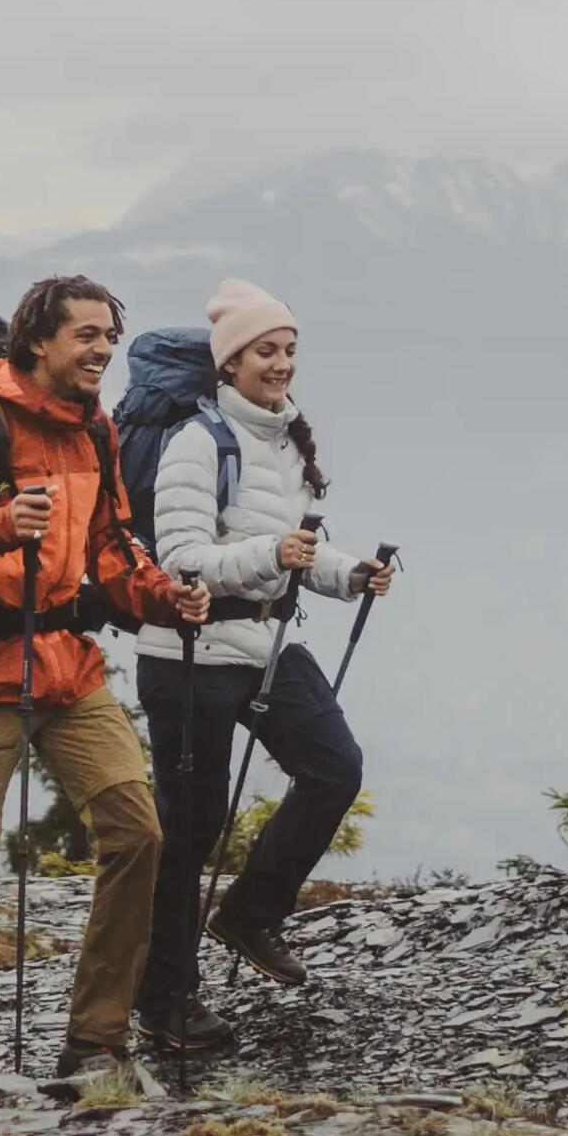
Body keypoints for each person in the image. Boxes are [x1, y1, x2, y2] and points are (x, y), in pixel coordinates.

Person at [0, 274, 210, 1098]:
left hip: (67, 665)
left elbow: (109, 546)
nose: (104, 350)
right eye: (87, 336)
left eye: (109, 335)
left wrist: (160, 598)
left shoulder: (93, 432)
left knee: (137, 833)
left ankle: (95, 1042)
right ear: (38, 343)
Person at [133, 278, 395, 1052]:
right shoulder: (197, 441)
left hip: (265, 645)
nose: (280, 365)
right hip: (189, 650)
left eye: (287, 351)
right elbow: (178, 558)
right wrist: (271, 554)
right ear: (229, 363)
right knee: (192, 828)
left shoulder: (284, 441)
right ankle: (166, 998)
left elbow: (291, 552)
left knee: (334, 768)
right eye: (264, 352)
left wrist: (347, 575)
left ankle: (247, 915)